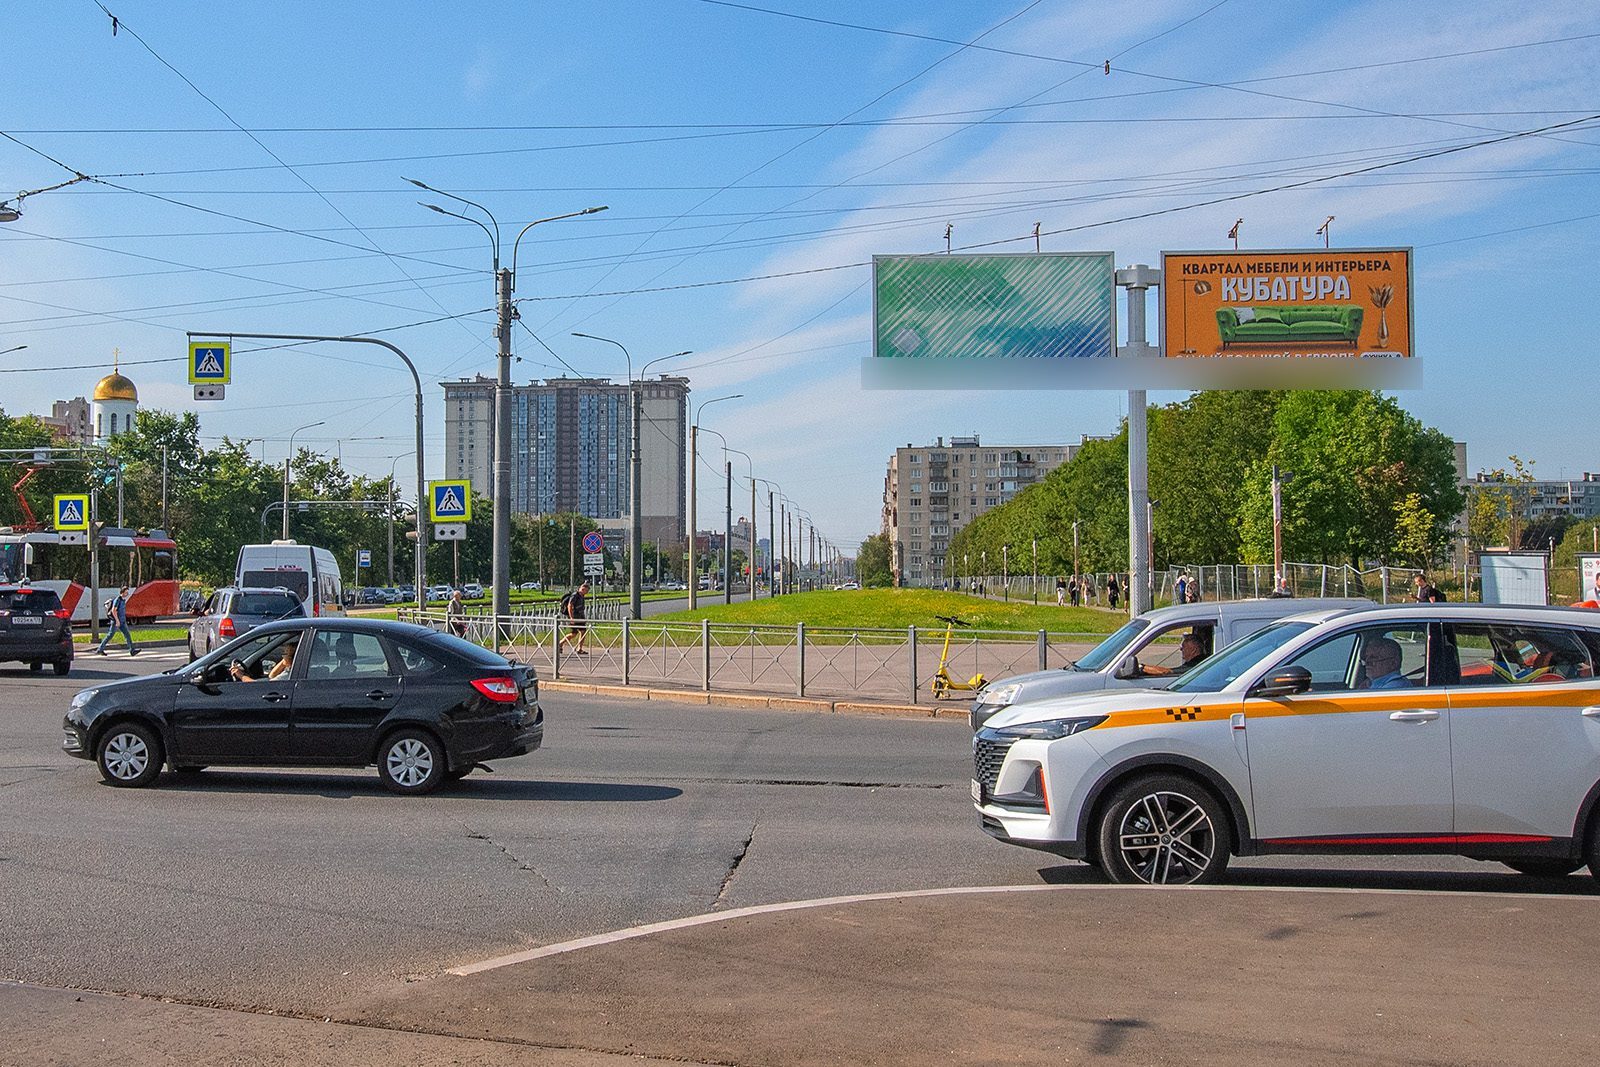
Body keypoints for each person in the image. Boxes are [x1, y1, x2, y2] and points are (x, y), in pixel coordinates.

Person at [94, 585, 140, 657]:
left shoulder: (123, 600)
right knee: (110, 635)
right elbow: (113, 610)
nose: (127, 594)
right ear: (122, 592)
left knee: (127, 635)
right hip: (116, 621)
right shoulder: (118, 599)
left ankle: (132, 650)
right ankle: (100, 649)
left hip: (122, 621)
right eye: (126, 592)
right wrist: (117, 620)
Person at [230, 638, 296, 682]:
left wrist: (241, 676)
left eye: (285, 653)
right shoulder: (293, 670)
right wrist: (285, 661)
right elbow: (271, 676)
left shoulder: (290, 674)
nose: (283, 656)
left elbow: (257, 686)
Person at [559, 580, 590, 654]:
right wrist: (571, 618)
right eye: (586, 591)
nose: (587, 592)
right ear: (582, 589)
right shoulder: (575, 595)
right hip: (574, 617)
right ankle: (560, 643)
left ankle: (579, 648)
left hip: (580, 617)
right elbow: (570, 606)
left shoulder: (581, 596)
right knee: (574, 633)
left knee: (583, 631)